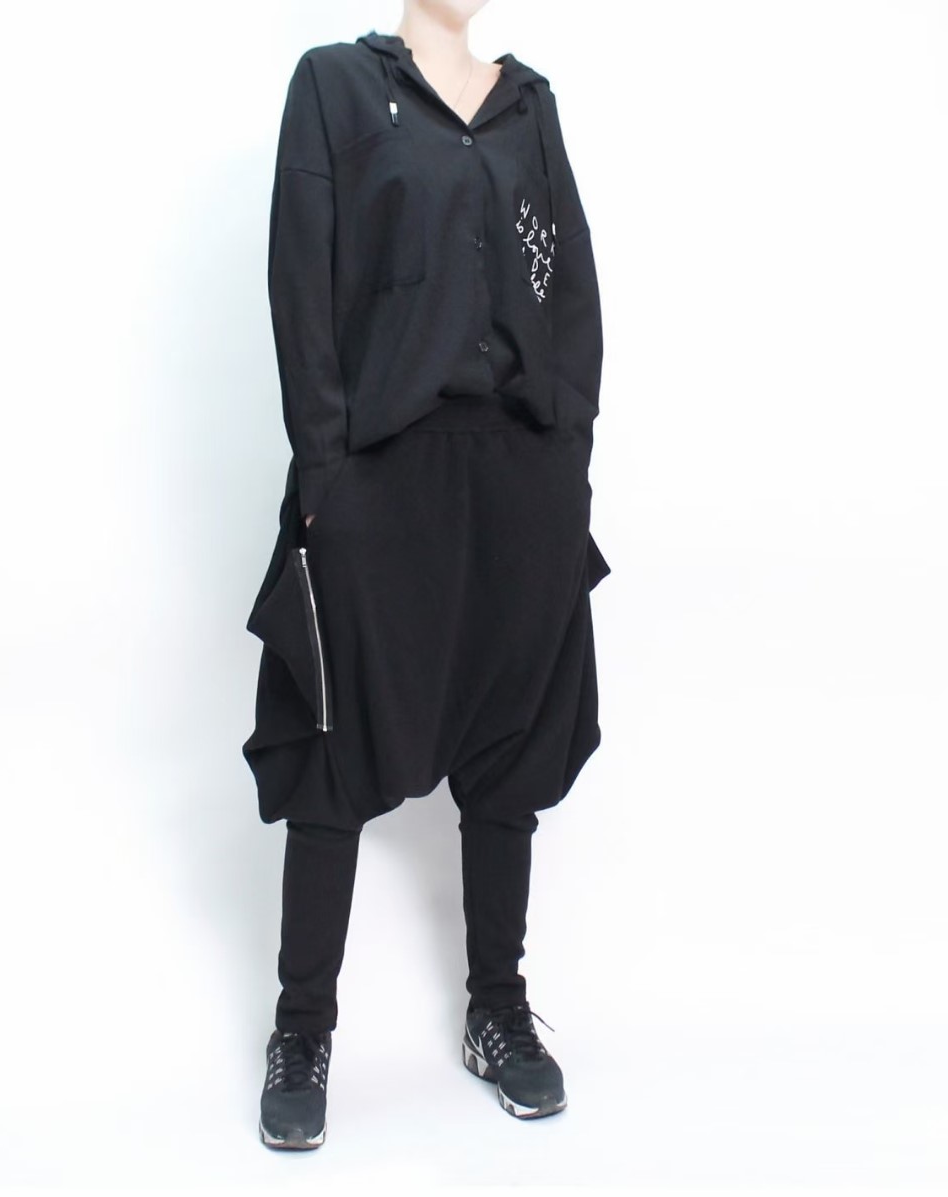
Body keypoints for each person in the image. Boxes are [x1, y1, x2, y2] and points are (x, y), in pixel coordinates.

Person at [243, 0, 610, 1150]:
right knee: (338, 742)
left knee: (511, 747)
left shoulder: (528, 107)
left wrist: (568, 461)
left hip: (519, 474)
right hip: (381, 473)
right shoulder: (337, 87)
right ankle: (302, 1029)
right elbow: (302, 282)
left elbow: (569, 287)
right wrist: (325, 477)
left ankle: (498, 1011)